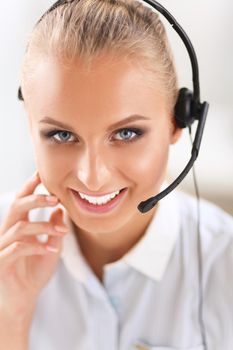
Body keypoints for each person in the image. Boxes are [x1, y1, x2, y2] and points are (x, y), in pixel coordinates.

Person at [0, 0, 232, 349]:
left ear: (178, 122)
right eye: (62, 135)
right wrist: (10, 318)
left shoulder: (224, 263)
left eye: (126, 134)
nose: (92, 177)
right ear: (31, 127)